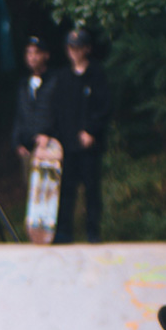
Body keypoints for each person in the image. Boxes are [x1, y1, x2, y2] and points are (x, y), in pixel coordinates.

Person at [47, 27, 111, 244]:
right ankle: (64, 232)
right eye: (71, 47)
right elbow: (56, 109)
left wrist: (92, 130)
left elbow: (104, 107)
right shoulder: (62, 77)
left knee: (92, 189)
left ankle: (93, 231)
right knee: (66, 190)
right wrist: (54, 137)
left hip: (89, 145)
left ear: (87, 49)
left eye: (78, 47)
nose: (74, 51)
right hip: (67, 144)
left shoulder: (97, 74)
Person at [12, 36, 53, 165]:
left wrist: (49, 135)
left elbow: (60, 113)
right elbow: (19, 116)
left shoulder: (54, 82)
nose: (32, 57)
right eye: (29, 53)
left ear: (46, 55)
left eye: (36, 53)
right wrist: (17, 143)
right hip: (27, 149)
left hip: (49, 147)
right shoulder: (23, 86)